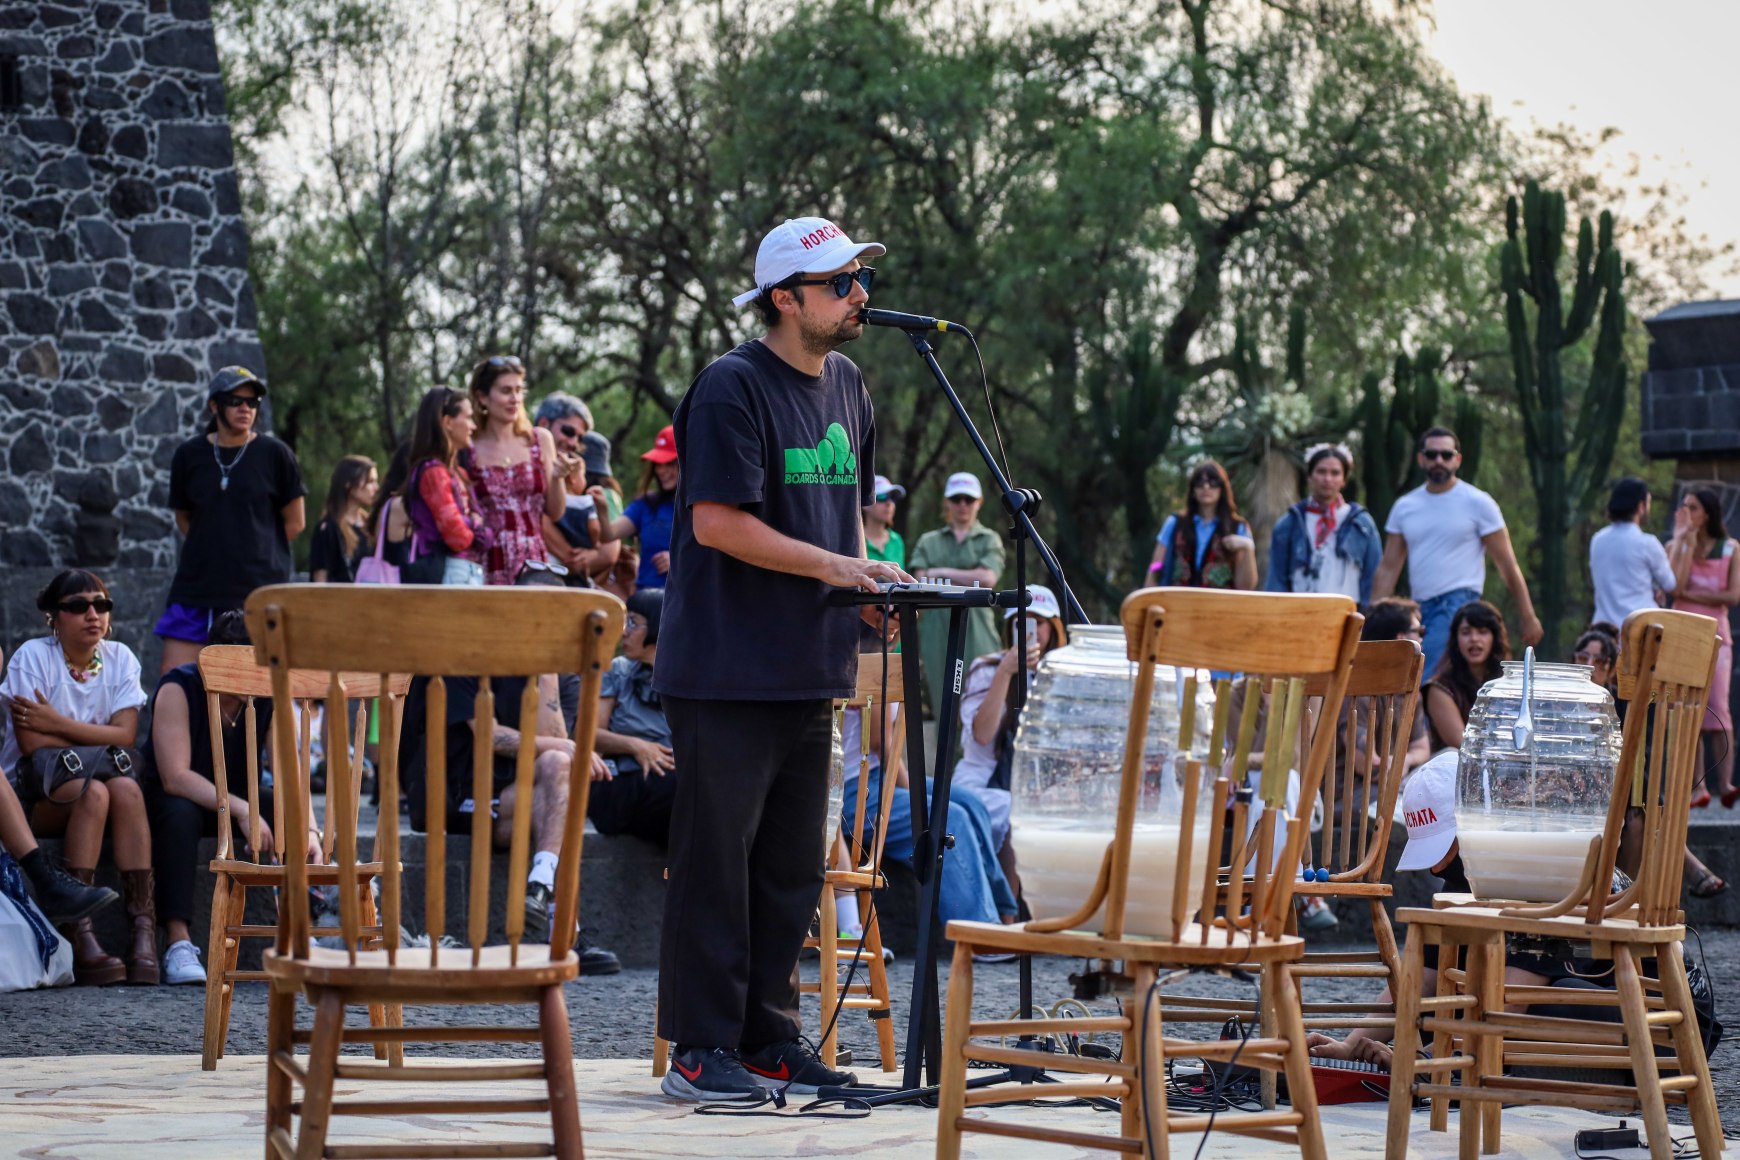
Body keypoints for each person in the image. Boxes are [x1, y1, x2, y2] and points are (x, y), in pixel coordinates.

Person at [653, 215, 908, 1102]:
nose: (859, 296)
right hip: (728, 666)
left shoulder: (849, 385)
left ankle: (767, 1040)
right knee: (718, 861)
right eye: (841, 284)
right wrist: (840, 565)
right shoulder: (730, 387)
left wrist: (867, 590)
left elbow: (841, 525)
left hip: (814, 661)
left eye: (859, 280)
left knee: (792, 868)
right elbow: (718, 522)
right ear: (785, 299)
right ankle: (699, 1050)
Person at [417, 567, 621, 971]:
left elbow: (556, 749)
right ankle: (564, 928)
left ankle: (540, 886)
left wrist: (545, 669)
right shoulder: (468, 654)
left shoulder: (555, 670)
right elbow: (487, 735)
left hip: (521, 798)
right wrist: (563, 746)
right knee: (563, 772)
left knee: (560, 770)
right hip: (464, 797)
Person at [142, 612, 325, 986]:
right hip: (180, 799)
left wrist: (310, 828)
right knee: (179, 816)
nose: (257, 676)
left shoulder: (267, 699)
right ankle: (177, 941)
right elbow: (174, 776)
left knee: (280, 805)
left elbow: (290, 773)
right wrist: (240, 809)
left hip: (238, 801)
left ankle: (298, 933)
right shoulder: (179, 687)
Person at [2, 570, 154, 984]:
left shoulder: (121, 657)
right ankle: (79, 930)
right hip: (33, 797)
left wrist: (55, 720)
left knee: (124, 786)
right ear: (54, 617)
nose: (93, 614)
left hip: (95, 791)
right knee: (99, 792)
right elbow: (32, 743)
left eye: (102, 605)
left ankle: (143, 930)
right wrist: (93, 736)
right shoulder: (33, 657)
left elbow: (126, 735)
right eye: (78, 606)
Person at [156, 366, 307, 674]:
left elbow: (296, 521)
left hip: (258, 588)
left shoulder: (276, 454)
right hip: (197, 586)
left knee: (260, 684)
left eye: (252, 403)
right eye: (236, 400)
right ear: (215, 405)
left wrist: (254, 548)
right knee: (175, 677)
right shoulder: (189, 455)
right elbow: (184, 517)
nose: (245, 408)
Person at [1371, 426, 1542, 675]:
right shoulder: (1405, 506)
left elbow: (1507, 564)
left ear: (1457, 459)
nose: (1439, 460)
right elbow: (1388, 568)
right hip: (1418, 609)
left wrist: (1528, 615)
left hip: (1458, 603)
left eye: (1446, 454)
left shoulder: (1478, 502)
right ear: (1421, 459)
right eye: (1431, 455)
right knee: (1407, 674)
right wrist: (1372, 619)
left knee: (1425, 674)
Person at [956, 584, 1068, 850]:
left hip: (1041, 788)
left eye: (1037, 623)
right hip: (983, 784)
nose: (1030, 632)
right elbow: (982, 736)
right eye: (1021, 623)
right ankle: (1007, 893)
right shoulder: (986, 669)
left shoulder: (1062, 675)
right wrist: (1005, 673)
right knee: (1018, 814)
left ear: (1053, 627)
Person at [908, 472, 1007, 719]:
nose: (963, 505)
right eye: (957, 498)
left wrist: (938, 572)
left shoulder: (989, 539)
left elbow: (988, 579)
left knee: (980, 704)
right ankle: (948, 760)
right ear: (947, 502)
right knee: (945, 708)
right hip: (936, 633)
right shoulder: (929, 541)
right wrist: (968, 575)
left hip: (979, 633)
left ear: (979, 502)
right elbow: (918, 578)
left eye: (968, 499)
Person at [465, 355, 570, 586]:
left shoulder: (540, 440)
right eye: (505, 391)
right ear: (482, 397)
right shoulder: (468, 446)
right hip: (486, 562)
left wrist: (558, 478)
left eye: (519, 390)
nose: (515, 399)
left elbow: (555, 512)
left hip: (533, 560)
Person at [1668, 487, 1740, 809]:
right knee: (1688, 710)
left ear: (1707, 513)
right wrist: (1684, 540)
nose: (1686, 513)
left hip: (1717, 636)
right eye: (1683, 507)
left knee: (1718, 708)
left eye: (1692, 508)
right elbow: (1676, 585)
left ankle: (1725, 783)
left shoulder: (1730, 549)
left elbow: (1732, 596)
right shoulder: (1676, 545)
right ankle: (1697, 787)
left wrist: (1693, 598)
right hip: (1683, 635)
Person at [586, 590, 677, 845]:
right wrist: (635, 745)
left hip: (671, 779)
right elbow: (590, 735)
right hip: (622, 780)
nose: (624, 631)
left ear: (660, 623)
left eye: (633, 623)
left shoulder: (687, 677)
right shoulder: (618, 670)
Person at [1265, 443, 1382, 604]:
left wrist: (1370, 616)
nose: (1328, 479)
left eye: (1335, 473)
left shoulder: (1360, 522)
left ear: (1344, 480)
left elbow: (1374, 574)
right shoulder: (1290, 522)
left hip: (1347, 610)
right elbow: (1276, 578)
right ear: (1309, 477)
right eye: (1321, 471)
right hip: (1299, 609)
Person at [400, 387, 490, 586]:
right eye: (468, 418)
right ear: (448, 422)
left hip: (468, 571)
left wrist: (469, 524)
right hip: (449, 573)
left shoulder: (459, 473)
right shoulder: (433, 473)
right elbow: (458, 538)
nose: (473, 426)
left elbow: (486, 536)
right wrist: (474, 523)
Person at [535, 394, 622, 586]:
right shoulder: (524, 459)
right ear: (543, 423)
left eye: (580, 438)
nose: (574, 443)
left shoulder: (596, 491)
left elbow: (609, 552)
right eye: (568, 431)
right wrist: (571, 556)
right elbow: (536, 515)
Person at [1148, 459, 1257, 591]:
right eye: (1199, 483)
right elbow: (1156, 564)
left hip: (1220, 606)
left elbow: (1246, 586)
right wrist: (1149, 593)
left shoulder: (1238, 527)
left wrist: (1248, 548)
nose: (1206, 487)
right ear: (1193, 490)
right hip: (1178, 603)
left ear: (1222, 489)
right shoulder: (1175, 523)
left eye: (1213, 482)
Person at [594, 427, 680, 592]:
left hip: (684, 600)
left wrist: (680, 563)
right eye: (657, 464)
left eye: (669, 463)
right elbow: (608, 535)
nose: (661, 471)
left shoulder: (701, 508)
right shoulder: (646, 504)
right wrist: (602, 510)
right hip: (646, 598)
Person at [1422, 599, 1509, 752]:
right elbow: (1464, 745)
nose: (1474, 638)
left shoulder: (1508, 684)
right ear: (1456, 640)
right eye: (1466, 632)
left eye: (1482, 632)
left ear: (1495, 638)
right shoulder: (1439, 689)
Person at [1589, 477, 1674, 630]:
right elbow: (1670, 583)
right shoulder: (1647, 543)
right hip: (1638, 630)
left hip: (1604, 630)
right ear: (1641, 506)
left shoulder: (1597, 539)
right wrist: (1681, 539)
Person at [308, 455, 379, 583]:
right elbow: (320, 580)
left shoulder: (371, 525)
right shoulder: (328, 528)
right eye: (370, 481)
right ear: (348, 484)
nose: (376, 488)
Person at [863, 474, 907, 568]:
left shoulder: (897, 540)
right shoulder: (855, 540)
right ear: (865, 504)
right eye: (882, 497)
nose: (889, 503)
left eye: (893, 497)